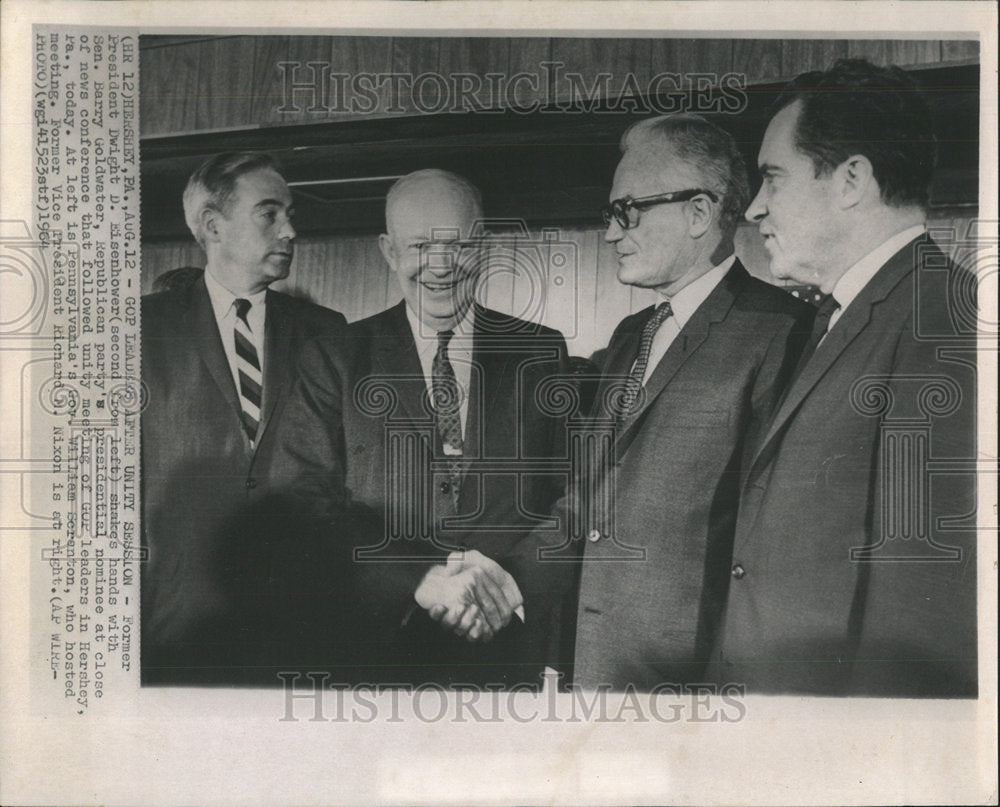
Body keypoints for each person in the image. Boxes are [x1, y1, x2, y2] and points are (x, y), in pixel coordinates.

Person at [438, 114, 816, 690]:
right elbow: (586, 502)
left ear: (699, 212)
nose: (613, 232)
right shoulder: (628, 337)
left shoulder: (783, 333)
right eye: (611, 214)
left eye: (629, 210)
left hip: (691, 688)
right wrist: (510, 580)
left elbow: (772, 551)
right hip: (593, 676)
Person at [711, 59, 978, 696]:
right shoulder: (831, 318)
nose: (753, 209)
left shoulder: (945, 320)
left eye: (773, 178)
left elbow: (922, 612)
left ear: (851, 179)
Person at [274, 169, 569, 687]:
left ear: (482, 245)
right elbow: (301, 509)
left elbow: (575, 495)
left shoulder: (542, 352)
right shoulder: (335, 359)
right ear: (388, 251)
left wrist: (510, 585)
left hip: (502, 655)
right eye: (416, 247)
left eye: (453, 245)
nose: (437, 267)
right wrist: (419, 579)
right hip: (373, 653)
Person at [141, 151, 348, 686]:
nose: (290, 230)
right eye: (270, 213)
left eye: (291, 214)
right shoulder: (138, 330)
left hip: (301, 615)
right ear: (213, 226)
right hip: (177, 618)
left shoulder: (327, 331)